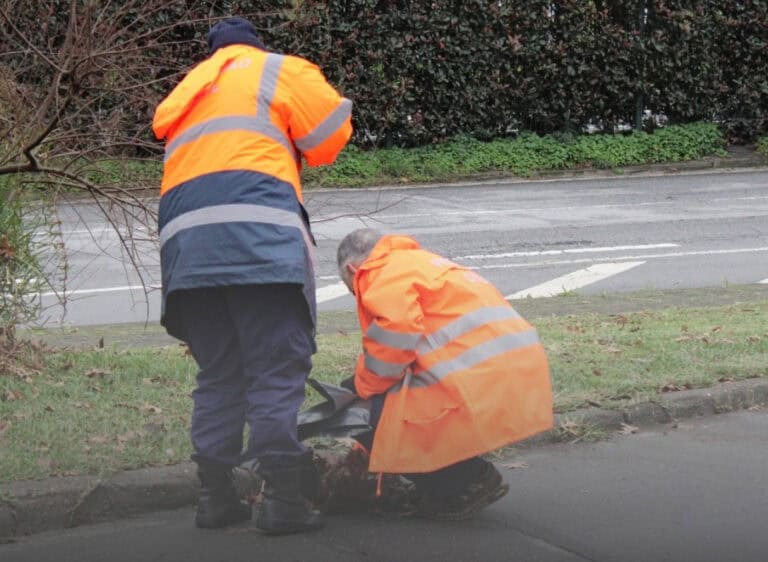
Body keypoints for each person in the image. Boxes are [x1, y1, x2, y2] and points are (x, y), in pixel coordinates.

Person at [152, 17, 352, 535]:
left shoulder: (189, 89)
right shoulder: (275, 70)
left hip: (186, 256)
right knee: (274, 368)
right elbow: (331, 136)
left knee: (219, 373)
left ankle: (214, 497)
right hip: (258, 244)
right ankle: (283, 500)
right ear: (254, 45)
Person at [337, 229, 553, 520]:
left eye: (352, 288)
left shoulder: (380, 273)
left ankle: (465, 482)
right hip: (512, 369)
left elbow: (394, 338)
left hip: (477, 375)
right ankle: (458, 478)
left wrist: (361, 387)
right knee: (395, 403)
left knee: (368, 414)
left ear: (353, 269)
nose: (357, 295)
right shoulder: (420, 262)